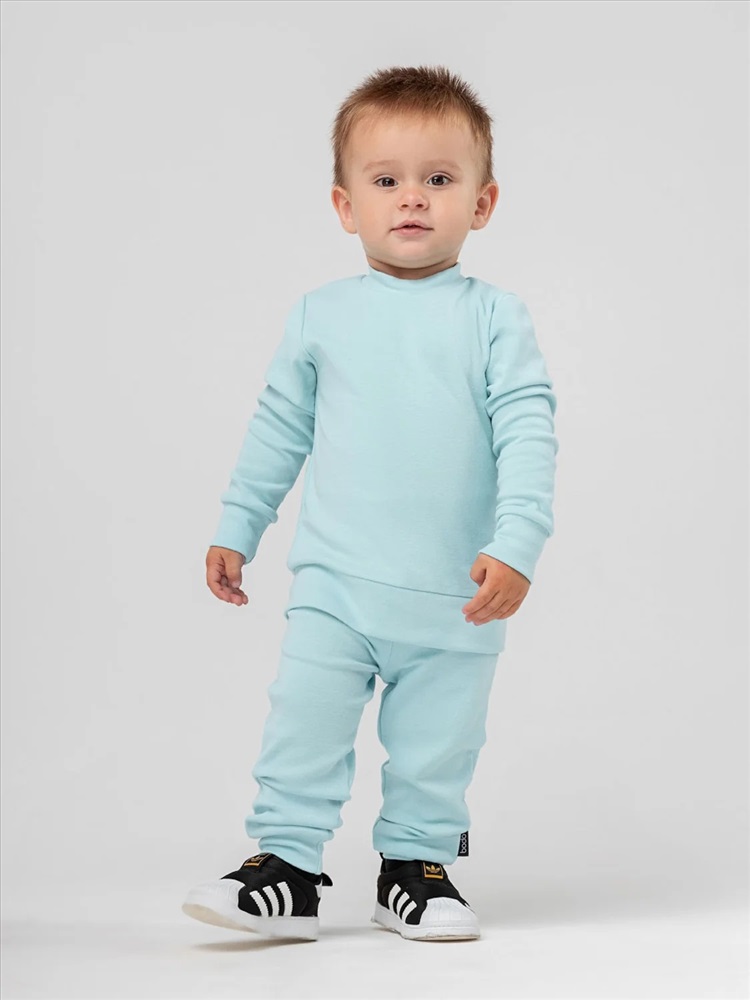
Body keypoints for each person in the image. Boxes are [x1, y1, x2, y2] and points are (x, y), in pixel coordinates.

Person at [182, 64, 558, 943]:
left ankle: (416, 869)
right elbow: (279, 430)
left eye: (440, 178)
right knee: (303, 723)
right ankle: (285, 867)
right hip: (336, 585)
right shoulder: (321, 316)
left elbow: (529, 433)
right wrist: (238, 525)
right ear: (346, 206)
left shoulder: (496, 318)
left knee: (438, 745)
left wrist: (518, 543)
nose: (413, 198)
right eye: (386, 181)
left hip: (457, 596)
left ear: (483, 203)